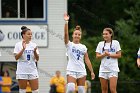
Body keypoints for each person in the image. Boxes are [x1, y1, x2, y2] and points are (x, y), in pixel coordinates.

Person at [64, 13, 95, 93]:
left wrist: (91, 71)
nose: (77, 36)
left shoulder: (83, 47)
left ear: (80, 36)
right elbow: (65, 34)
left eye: (79, 34)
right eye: (75, 34)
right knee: (71, 88)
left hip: (81, 70)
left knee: (81, 90)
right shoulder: (69, 44)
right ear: (73, 35)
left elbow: (87, 60)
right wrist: (66, 22)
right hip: (71, 70)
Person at [13, 26, 39, 93]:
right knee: (22, 91)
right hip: (22, 71)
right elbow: (16, 58)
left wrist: (35, 51)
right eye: (28, 34)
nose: (30, 35)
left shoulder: (34, 45)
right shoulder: (18, 44)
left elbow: (37, 59)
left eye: (31, 34)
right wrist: (23, 49)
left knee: (35, 91)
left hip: (32, 70)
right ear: (23, 35)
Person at [95, 28, 121, 93]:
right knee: (104, 91)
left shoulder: (116, 43)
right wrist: (104, 54)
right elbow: (97, 56)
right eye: (103, 34)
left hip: (113, 69)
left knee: (113, 90)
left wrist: (109, 54)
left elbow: (119, 55)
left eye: (106, 34)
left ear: (111, 34)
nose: (104, 36)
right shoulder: (100, 44)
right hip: (103, 69)